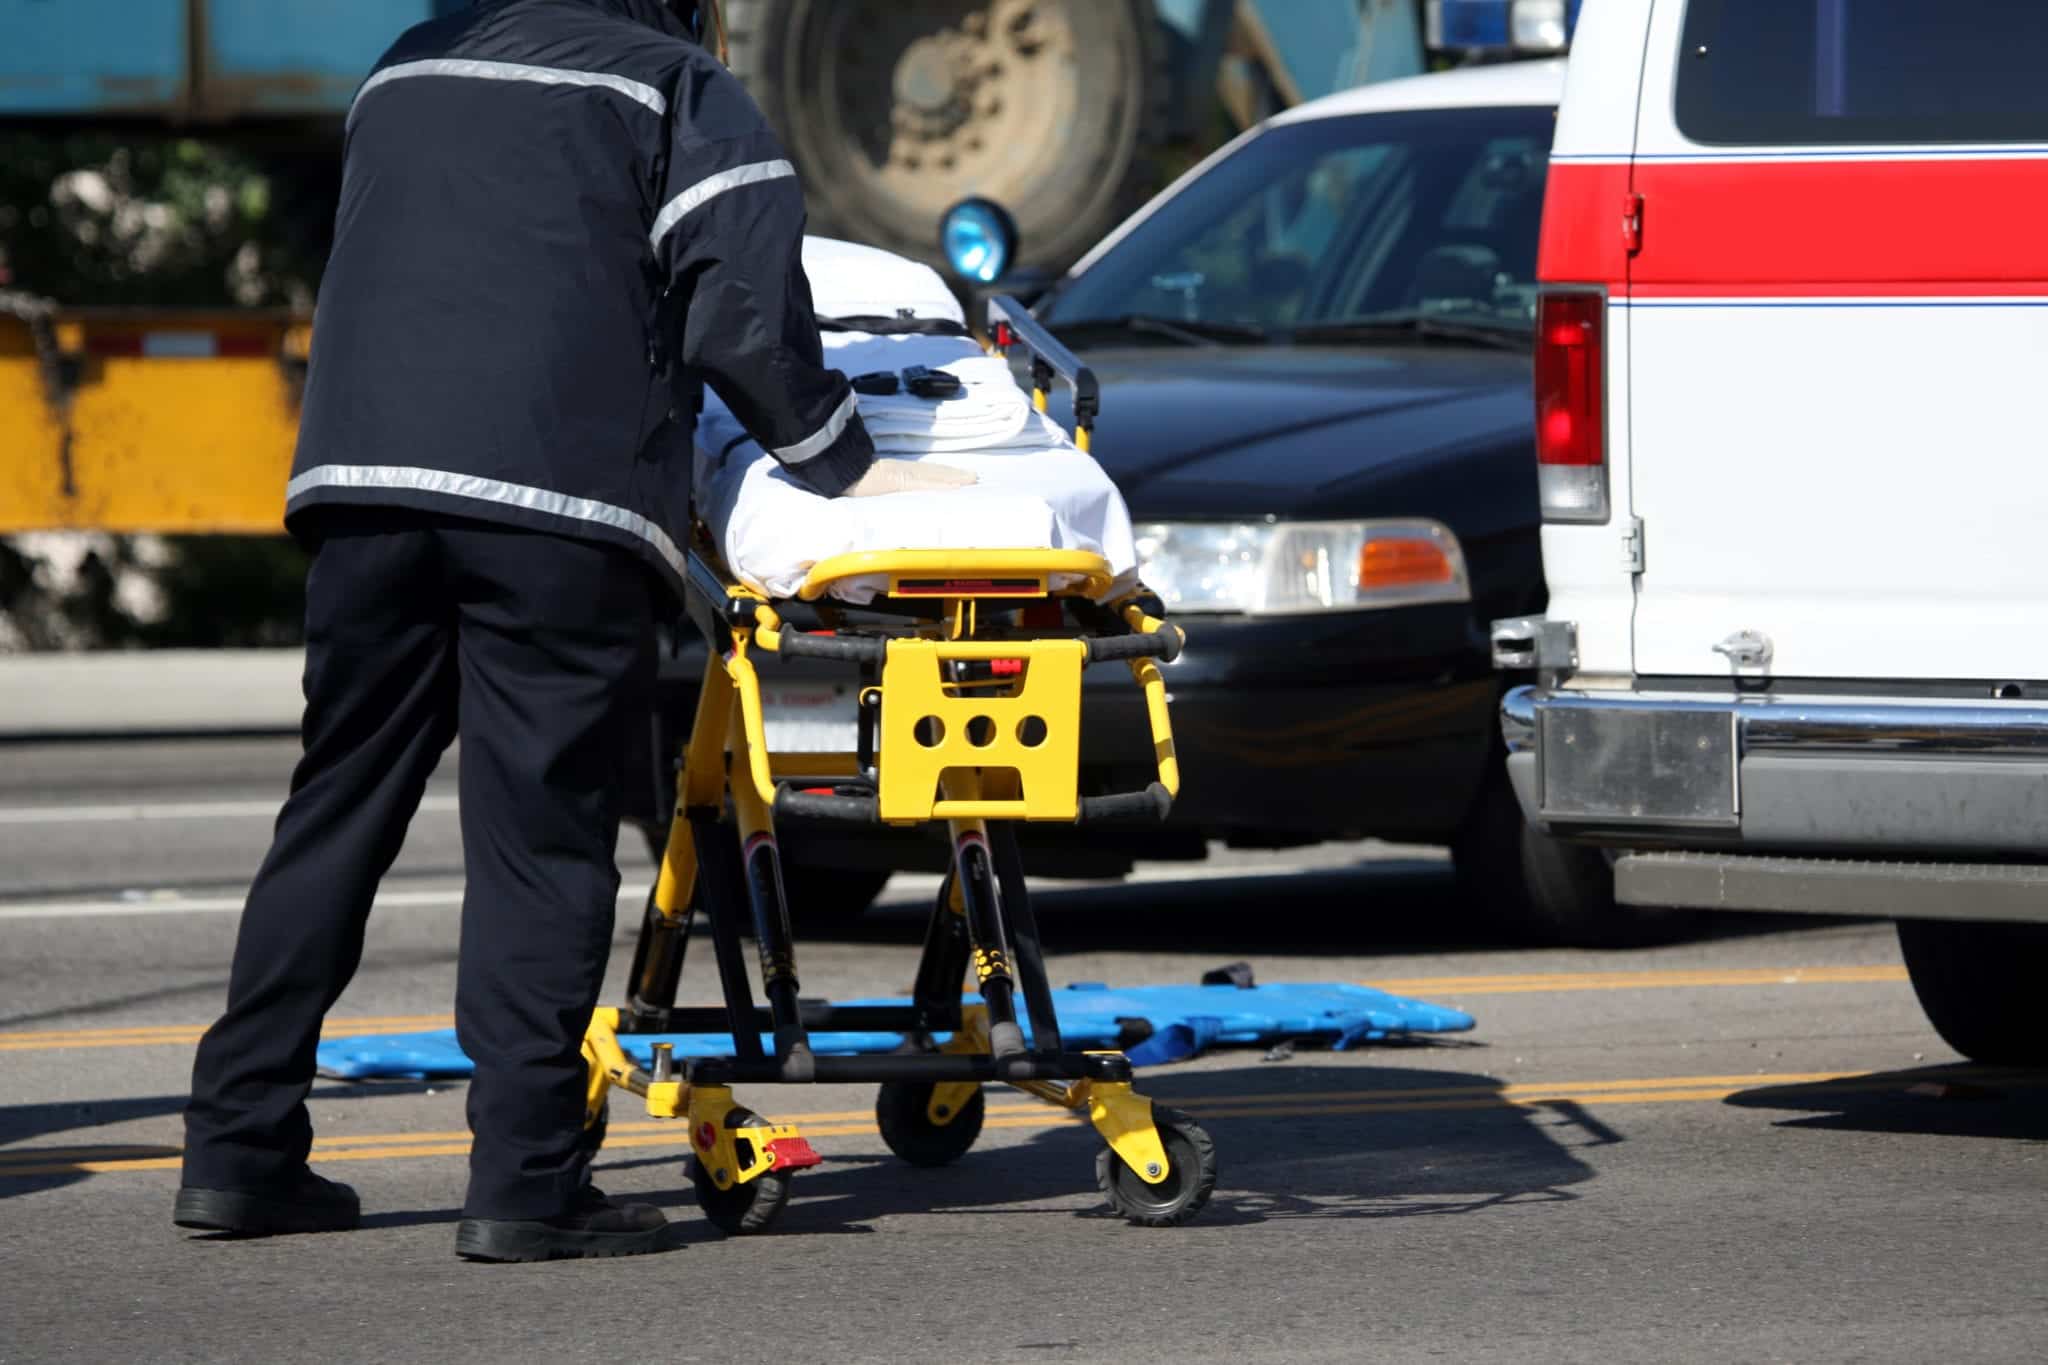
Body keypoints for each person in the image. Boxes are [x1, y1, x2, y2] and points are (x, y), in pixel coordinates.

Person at [174, 0, 969, 1263]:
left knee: (333, 812)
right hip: (555, 505)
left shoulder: (408, 64)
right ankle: (527, 1184)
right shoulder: (676, 89)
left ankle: (234, 1151)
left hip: (360, 488)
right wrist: (845, 470)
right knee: (542, 848)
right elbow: (744, 322)